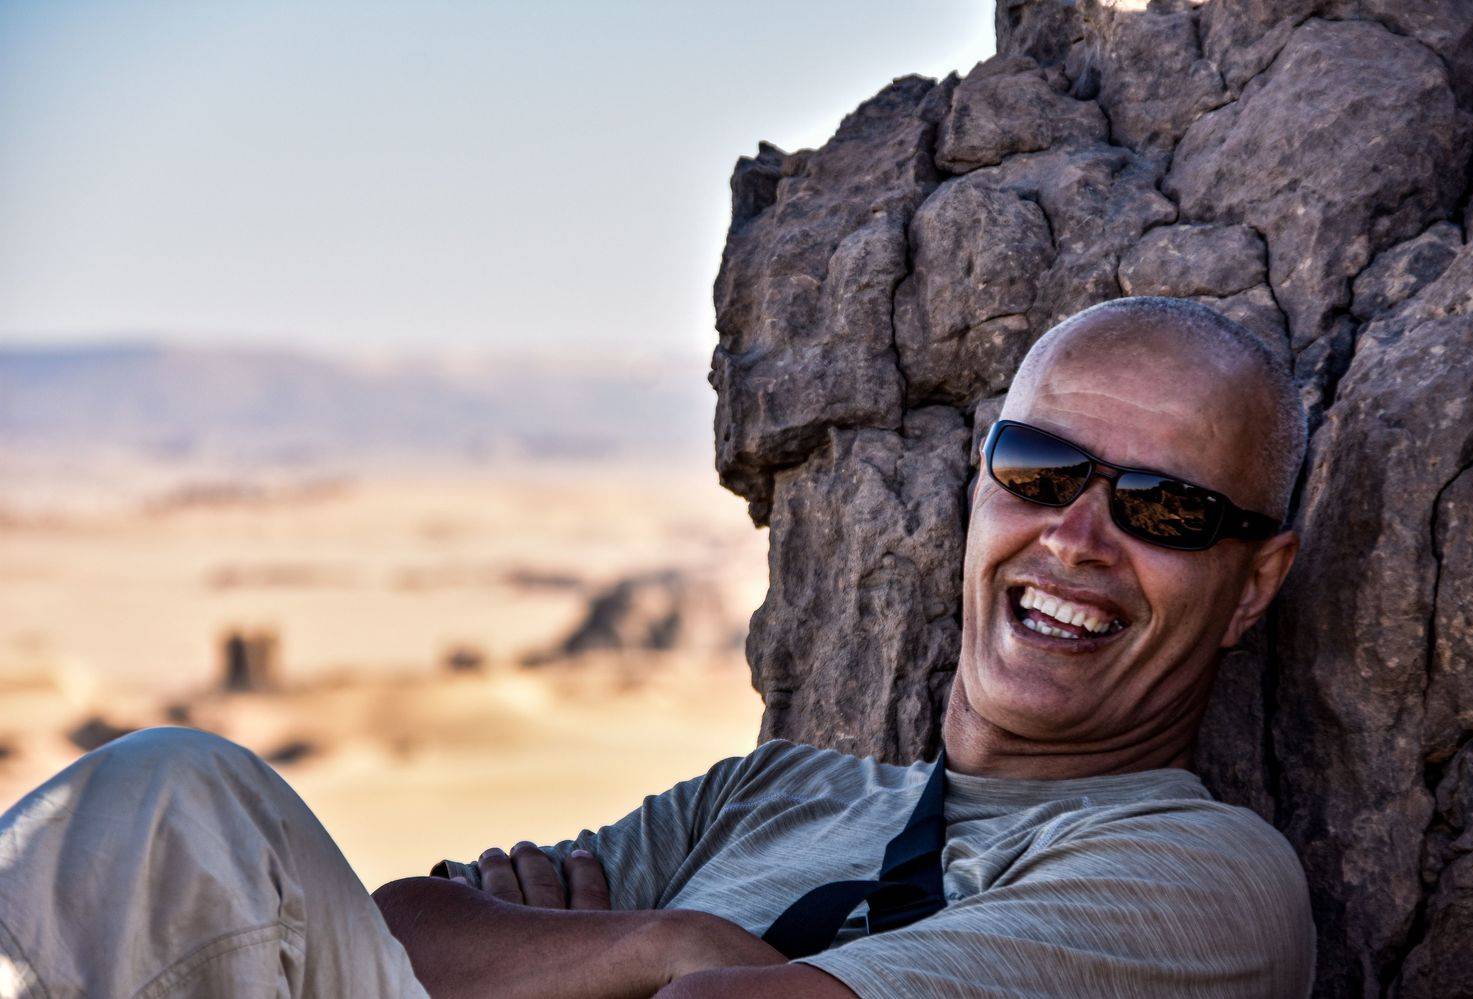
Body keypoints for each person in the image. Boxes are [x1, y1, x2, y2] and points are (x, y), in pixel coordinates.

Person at [0, 297, 1317, 998]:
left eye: (1167, 510)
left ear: (1254, 582)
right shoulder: (770, 793)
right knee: (169, 798)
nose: (1077, 538)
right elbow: (403, 932)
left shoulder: (1204, 881)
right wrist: (663, 944)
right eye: (1038, 470)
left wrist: (588, 957)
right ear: (979, 489)